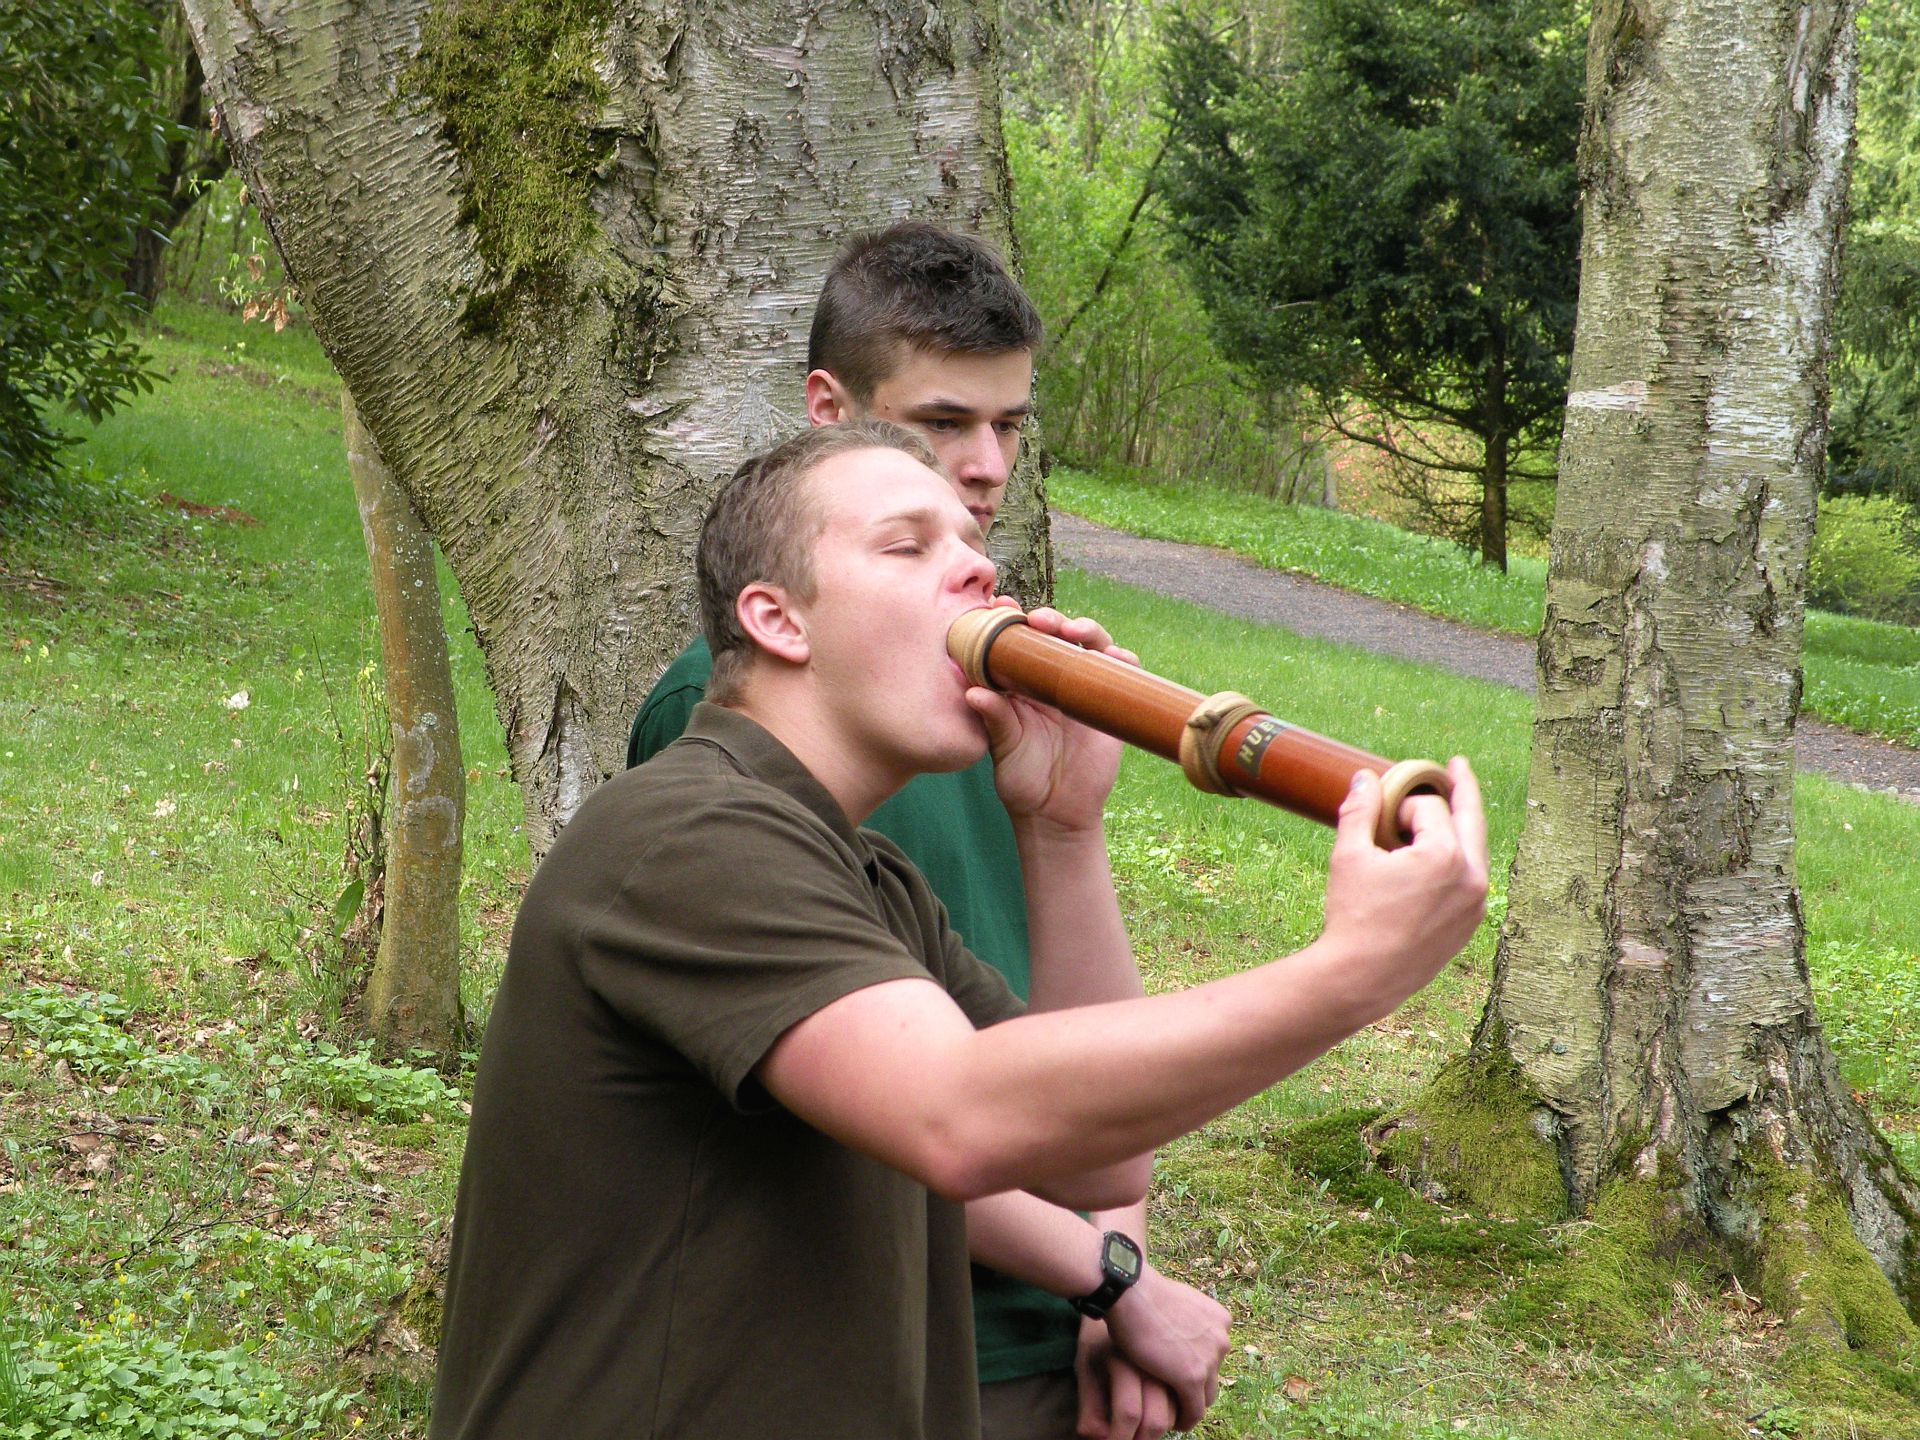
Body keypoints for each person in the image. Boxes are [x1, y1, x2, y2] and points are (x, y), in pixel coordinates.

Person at [432, 422, 1489, 1440]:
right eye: (907, 545)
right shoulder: (691, 831)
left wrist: (1062, 830)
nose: (981, 570)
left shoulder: (867, 875)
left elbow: (1095, 1170)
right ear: (778, 620)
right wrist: (1351, 971)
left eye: (975, 549)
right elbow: (960, 1116)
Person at [626, 221, 1223, 1440]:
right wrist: (1108, 1276)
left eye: (1010, 426)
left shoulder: (985, 704)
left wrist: (1119, 1254)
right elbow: (894, 1096)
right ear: (828, 412)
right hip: (889, 1331)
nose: (987, 467)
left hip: (1059, 1318)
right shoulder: (734, 721)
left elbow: (1073, 1047)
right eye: (945, 423)